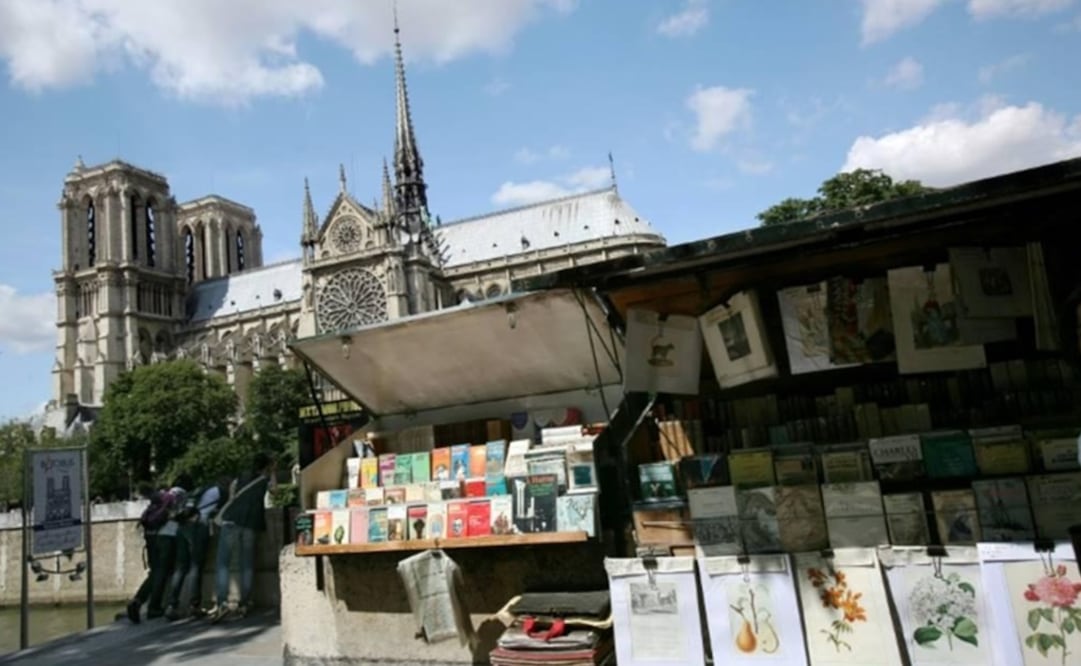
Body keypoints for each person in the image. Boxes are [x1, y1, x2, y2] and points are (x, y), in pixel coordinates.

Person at [207, 452, 276, 622]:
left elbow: (231, 498)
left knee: (223, 563)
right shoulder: (265, 480)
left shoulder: (239, 479)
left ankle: (222, 603)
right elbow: (275, 492)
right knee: (247, 563)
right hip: (250, 524)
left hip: (231, 521)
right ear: (267, 466)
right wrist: (273, 473)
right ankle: (244, 603)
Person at [127, 474, 189, 623]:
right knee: (162, 572)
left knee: (155, 572)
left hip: (152, 536)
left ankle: (138, 600)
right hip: (167, 537)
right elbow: (180, 515)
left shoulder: (163, 495)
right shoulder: (180, 494)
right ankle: (154, 608)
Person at [164, 475, 227, 620]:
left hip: (181, 527)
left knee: (180, 567)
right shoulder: (219, 491)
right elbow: (223, 509)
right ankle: (194, 606)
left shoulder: (196, 492)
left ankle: (171, 606)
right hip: (199, 526)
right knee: (195, 566)